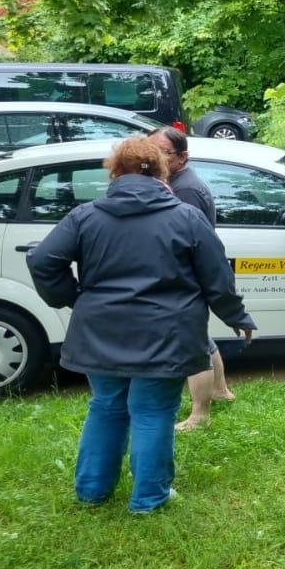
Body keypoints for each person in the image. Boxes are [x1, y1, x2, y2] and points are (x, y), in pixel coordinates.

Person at [26, 136, 254, 513]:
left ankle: (91, 493)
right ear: (162, 171)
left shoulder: (85, 216)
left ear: (114, 171)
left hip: (101, 331)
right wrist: (236, 316)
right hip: (167, 333)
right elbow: (218, 278)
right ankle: (149, 497)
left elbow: (43, 261)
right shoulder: (187, 217)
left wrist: (74, 298)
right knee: (152, 411)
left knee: (106, 406)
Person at [147, 125, 232, 430]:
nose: (152, 156)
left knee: (192, 344)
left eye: (161, 151)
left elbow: (186, 239)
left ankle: (200, 414)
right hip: (187, 276)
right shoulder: (173, 181)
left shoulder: (183, 190)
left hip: (184, 276)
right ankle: (220, 391)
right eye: (149, 149)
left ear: (182, 157)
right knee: (201, 338)